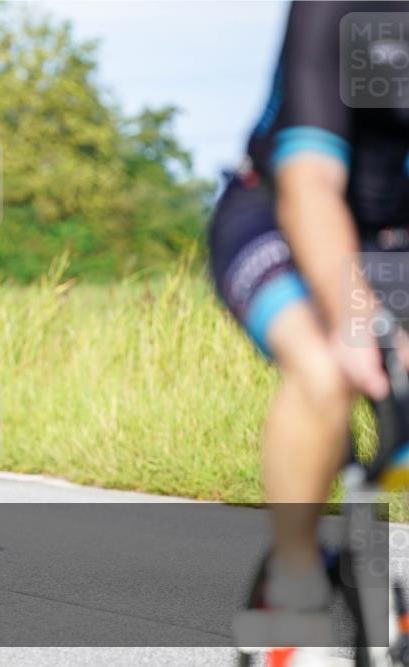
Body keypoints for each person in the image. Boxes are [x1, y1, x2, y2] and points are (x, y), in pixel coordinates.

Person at [208, 0, 409, 621]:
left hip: (394, 238)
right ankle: (294, 593)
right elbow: (309, 185)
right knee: (325, 368)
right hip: (278, 214)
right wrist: (360, 319)